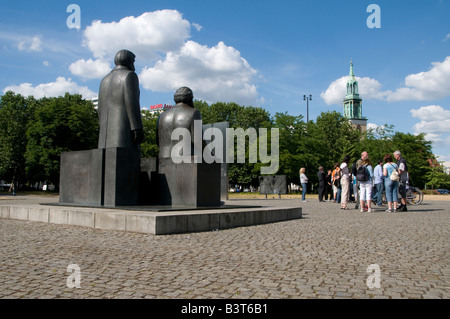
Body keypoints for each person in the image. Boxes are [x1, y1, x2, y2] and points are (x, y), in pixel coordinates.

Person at [98, 49, 144, 150]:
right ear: (129, 61)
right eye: (133, 61)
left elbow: (100, 107)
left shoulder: (104, 80)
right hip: (123, 129)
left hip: (105, 133)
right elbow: (132, 103)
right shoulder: (129, 75)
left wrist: (101, 125)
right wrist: (137, 128)